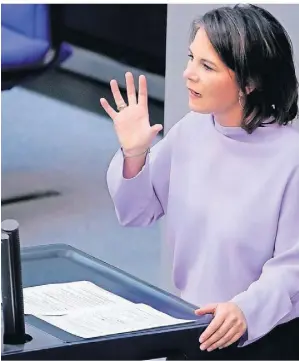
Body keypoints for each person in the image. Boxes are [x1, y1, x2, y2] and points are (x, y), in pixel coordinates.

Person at [101, 4, 299, 360]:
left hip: (264, 337)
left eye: (206, 66)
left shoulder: (292, 159)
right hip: (191, 328)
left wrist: (244, 311)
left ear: (250, 82)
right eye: (191, 58)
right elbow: (135, 212)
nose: (187, 74)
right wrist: (134, 155)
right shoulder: (191, 132)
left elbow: (292, 268)